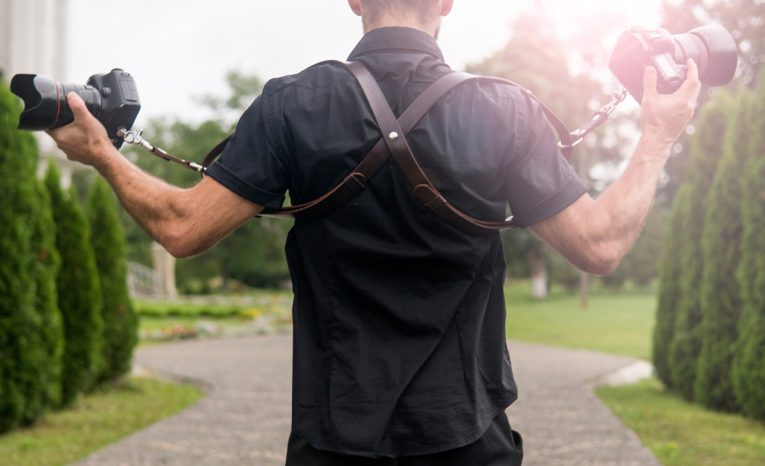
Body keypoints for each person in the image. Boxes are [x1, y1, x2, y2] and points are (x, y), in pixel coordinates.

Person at [48, 1, 701, 464]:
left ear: (353, 0)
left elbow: (182, 228)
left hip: (336, 440)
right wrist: (656, 135)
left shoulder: (291, 103)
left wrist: (102, 152)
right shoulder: (503, 109)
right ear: (447, 3)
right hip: (466, 435)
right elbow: (600, 244)